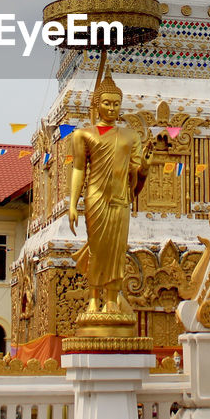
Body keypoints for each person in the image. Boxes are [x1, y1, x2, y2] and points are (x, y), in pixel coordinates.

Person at [67, 72, 152, 314]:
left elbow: (136, 169)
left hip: (120, 198)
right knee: (97, 247)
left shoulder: (130, 136)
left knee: (116, 249)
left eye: (116, 104)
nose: (112, 108)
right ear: (96, 104)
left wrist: (145, 166)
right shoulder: (83, 134)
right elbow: (79, 169)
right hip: (95, 196)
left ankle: (112, 298)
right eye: (106, 103)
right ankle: (94, 297)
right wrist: (72, 204)